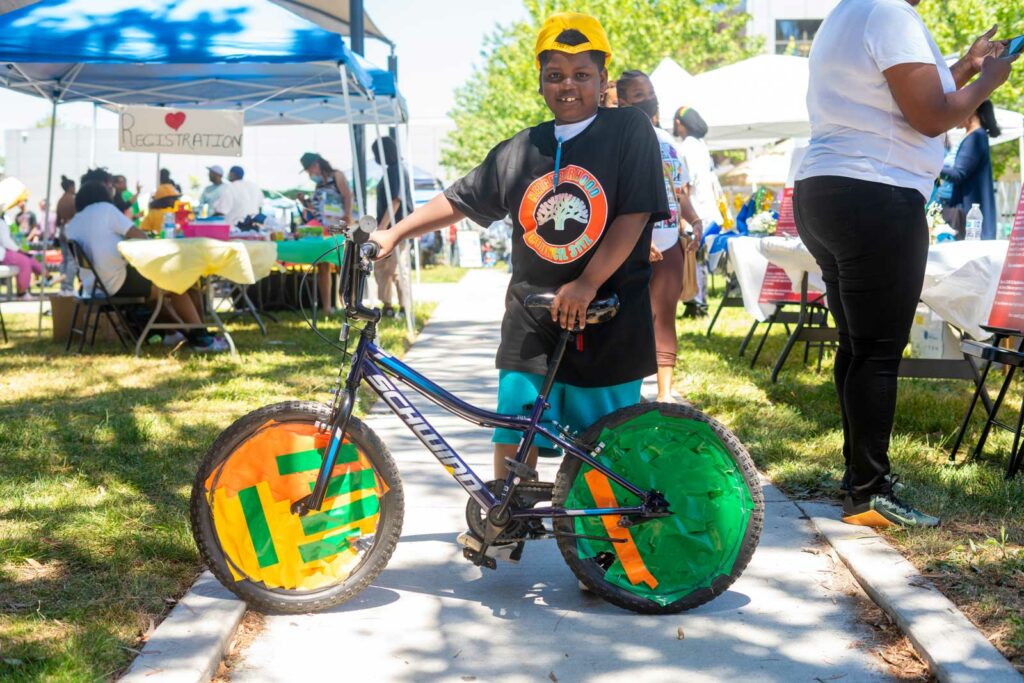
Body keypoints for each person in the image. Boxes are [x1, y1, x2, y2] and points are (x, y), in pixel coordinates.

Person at [368, 12, 667, 559]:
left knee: (608, 440)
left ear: (605, 81)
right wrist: (395, 232)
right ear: (540, 82)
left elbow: (634, 215)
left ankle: (617, 548)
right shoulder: (521, 149)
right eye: (555, 74)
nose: (568, 85)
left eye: (582, 74)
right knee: (514, 420)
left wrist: (587, 282)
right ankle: (507, 521)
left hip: (606, 312)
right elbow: (458, 199)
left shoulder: (629, 130)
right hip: (533, 313)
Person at [793, 0, 1016, 528]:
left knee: (858, 345)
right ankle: (869, 492)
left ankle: (858, 480)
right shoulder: (890, 13)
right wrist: (991, 80)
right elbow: (933, 115)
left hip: (826, 189)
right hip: (877, 192)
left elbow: (902, 96)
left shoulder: (850, 13)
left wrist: (962, 67)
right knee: (878, 353)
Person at [615, 70, 704, 402]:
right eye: (639, 95)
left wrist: (694, 221)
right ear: (621, 102)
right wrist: (638, 237)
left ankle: (664, 395)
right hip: (631, 241)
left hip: (668, 238)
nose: (648, 99)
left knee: (664, 317)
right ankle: (629, 393)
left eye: (650, 92)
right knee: (630, 318)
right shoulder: (618, 142)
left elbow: (678, 191)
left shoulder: (668, 142)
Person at [65, 181, 228, 352]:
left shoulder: (76, 221)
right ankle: (201, 338)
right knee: (177, 283)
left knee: (157, 292)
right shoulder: (106, 210)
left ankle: (175, 333)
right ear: (103, 195)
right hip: (116, 282)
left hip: (93, 286)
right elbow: (139, 235)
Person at [673, 106, 725, 315]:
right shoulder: (702, 146)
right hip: (709, 211)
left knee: (691, 258)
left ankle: (695, 303)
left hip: (694, 210)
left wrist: (683, 217)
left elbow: (686, 183)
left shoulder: (686, 147)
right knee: (699, 259)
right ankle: (699, 301)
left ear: (679, 123)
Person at [299, 152, 355, 315]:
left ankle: (348, 306)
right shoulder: (319, 185)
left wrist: (348, 216)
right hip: (324, 229)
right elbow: (315, 210)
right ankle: (327, 308)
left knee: (342, 266)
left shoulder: (337, 175)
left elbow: (348, 195)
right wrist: (304, 202)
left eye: (309, 170)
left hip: (340, 226)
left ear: (316, 165)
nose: (310, 174)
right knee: (323, 266)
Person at [941, 99, 1000, 239]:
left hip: (968, 214)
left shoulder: (976, 137)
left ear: (972, 110)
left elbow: (958, 174)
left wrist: (932, 165)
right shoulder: (972, 136)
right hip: (962, 210)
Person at [372, 136, 413, 317]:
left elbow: (396, 200)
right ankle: (387, 304)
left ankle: (403, 306)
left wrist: (382, 227)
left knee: (397, 269)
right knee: (381, 268)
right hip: (388, 227)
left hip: (396, 228)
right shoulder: (392, 170)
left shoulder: (397, 170)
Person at [0, 217, 44, 297]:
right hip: (5, 253)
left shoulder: (6, 221)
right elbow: (6, 241)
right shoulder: (3, 222)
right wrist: (19, 249)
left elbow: (13, 238)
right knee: (25, 261)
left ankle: (48, 277)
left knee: (29, 258)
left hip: (9, 250)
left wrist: (20, 249)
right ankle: (22, 292)